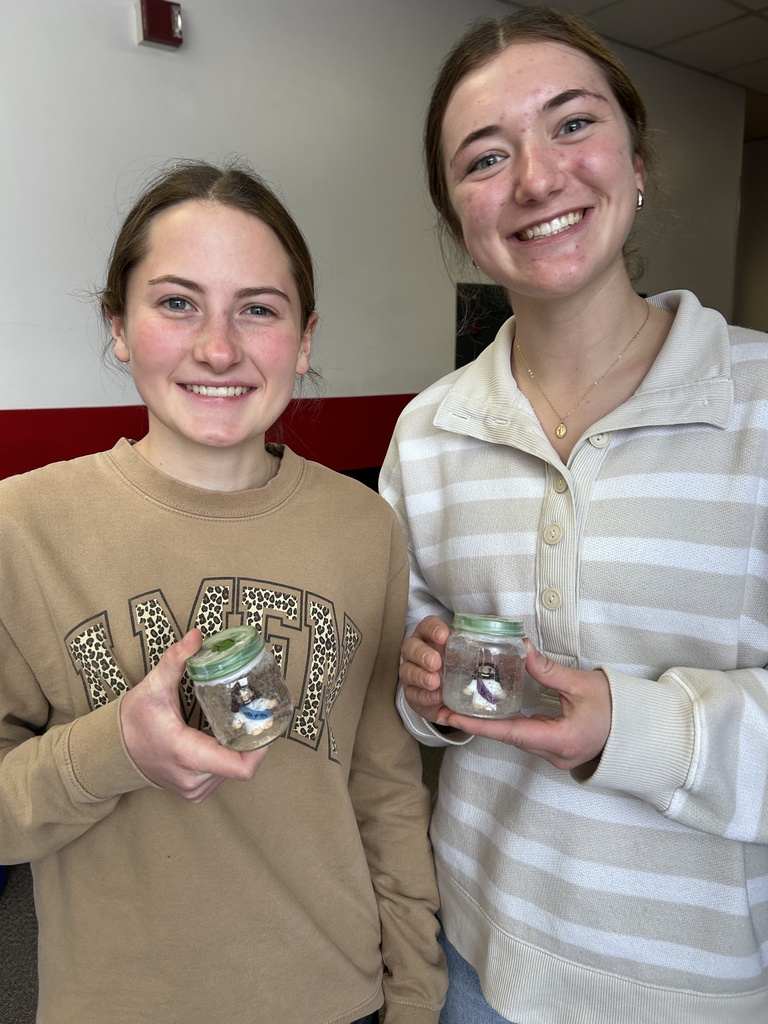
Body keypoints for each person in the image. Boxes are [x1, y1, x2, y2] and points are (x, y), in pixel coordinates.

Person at [379, 8, 768, 1024]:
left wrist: (621, 722)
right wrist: (423, 679)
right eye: (484, 157)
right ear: (457, 212)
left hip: (702, 988)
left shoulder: (760, 408)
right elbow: (417, 688)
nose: (538, 179)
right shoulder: (429, 433)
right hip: (480, 957)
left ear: (636, 160)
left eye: (570, 125)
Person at [0, 160, 446, 1024]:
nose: (218, 347)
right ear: (118, 327)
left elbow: (386, 790)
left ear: (305, 338)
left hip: (335, 997)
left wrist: (417, 995)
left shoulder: (366, 528)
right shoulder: (23, 526)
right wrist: (115, 752)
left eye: (258, 309)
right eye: (176, 302)